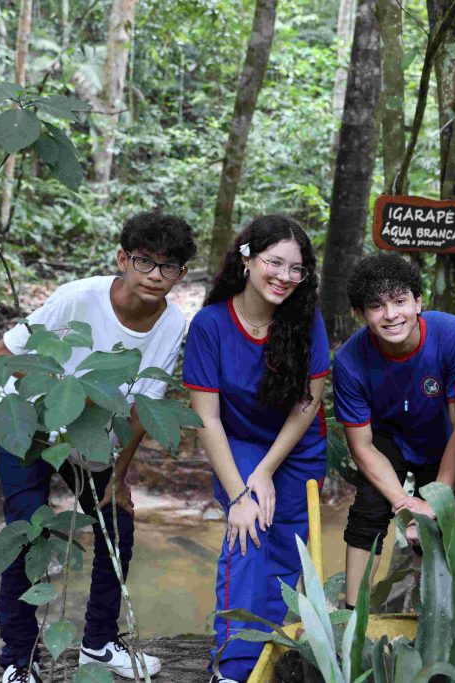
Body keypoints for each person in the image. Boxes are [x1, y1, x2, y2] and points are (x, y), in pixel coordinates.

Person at [0, 211, 197, 683]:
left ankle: (98, 644)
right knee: (26, 533)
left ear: (182, 275)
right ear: (122, 259)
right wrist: (62, 394)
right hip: (30, 424)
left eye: (169, 268)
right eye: (144, 262)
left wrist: (119, 476)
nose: (155, 277)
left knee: (118, 527)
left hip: (92, 438)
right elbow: (1, 358)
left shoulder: (171, 325)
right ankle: (18, 662)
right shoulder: (77, 298)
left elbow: (145, 406)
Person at [183, 215, 329, 683]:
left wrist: (266, 471)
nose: (285, 277)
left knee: (288, 554)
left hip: (296, 442)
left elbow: (309, 402)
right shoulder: (210, 324)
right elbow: (206, 417)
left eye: (296, 269)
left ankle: (273, 660)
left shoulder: (306, 318)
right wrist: (241, 493)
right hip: (238, 440)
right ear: (247, 259)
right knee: (246, 537)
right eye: (275, 263)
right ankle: (233, 669)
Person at [333, 254, 455, 607]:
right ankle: (354, 617)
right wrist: (404, 504)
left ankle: (428, 617)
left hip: (443, 436)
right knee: (367, 513)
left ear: (418, 302)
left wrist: (433, 499)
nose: (391, 314)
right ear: (360, 314)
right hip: (386, 440)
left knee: (439, 525)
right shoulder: (350, 361)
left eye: (400, 301)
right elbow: (362, 446)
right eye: (377, 306)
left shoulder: (454, 335)